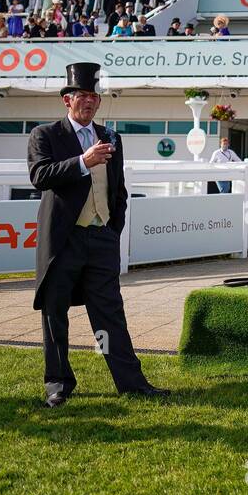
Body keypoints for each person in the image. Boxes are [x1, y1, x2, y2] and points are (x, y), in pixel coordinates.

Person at [26, 63, 169, 408]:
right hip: (64, 239)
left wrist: (112, 228)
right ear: (67, 100)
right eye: (82, 96)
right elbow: (39, 176)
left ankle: (130, 382)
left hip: (101, 238)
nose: (88, 103)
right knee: (55, 311)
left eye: (94, 97)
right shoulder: (45, 135)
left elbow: (118, 189)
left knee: (109, 314)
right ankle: (58, 382)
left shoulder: (111, 137)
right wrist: (82, 161)